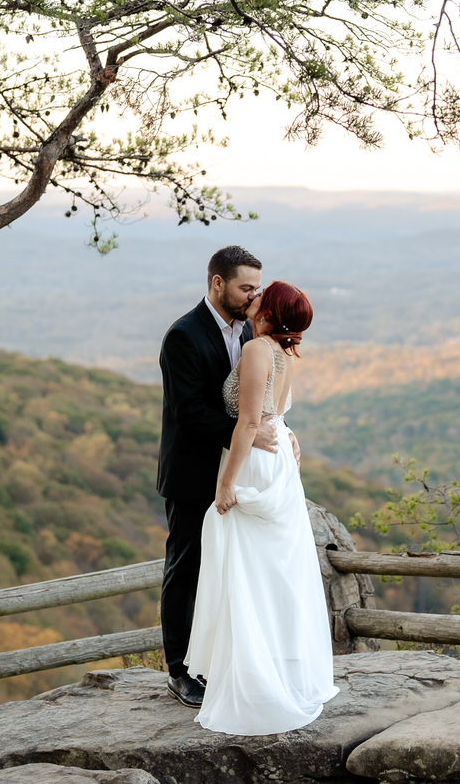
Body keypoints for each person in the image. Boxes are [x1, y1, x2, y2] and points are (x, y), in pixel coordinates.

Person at [184, 281, 339, 735]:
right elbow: (275, 413)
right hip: (279, 467)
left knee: (245, 567)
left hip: (252, 462)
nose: (253, 297)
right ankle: (274, 668)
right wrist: (287, 432)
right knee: (272, 570)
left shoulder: (256, 350)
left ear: (268, 311)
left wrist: (226, 484)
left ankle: (253, 679)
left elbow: (250, 420)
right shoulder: (286, 354)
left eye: (259, 295)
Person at [157, 246, 281, 708]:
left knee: (233, 568)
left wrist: (279, 431)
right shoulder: (183, 336)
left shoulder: (253, 330)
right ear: (217, 283)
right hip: (193, 472)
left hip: (240, 472)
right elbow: (189, 413)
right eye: (246, 287)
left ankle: (221, 661)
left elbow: (258, 396)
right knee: (185, 569)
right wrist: (247, 434)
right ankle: (179, 672)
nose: (254, 295)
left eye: (257, 287)